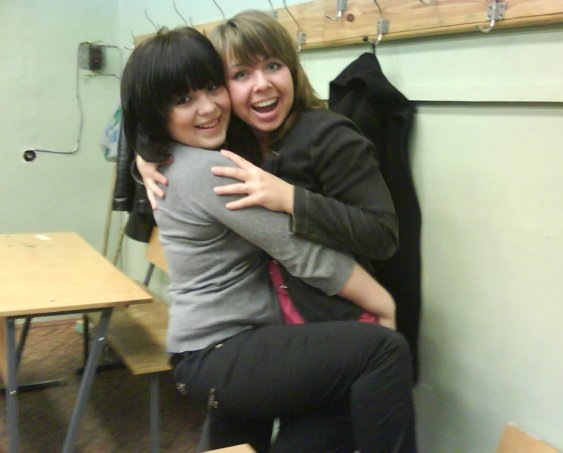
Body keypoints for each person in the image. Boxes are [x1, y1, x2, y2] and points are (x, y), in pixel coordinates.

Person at [121, 26, 415, 452]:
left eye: (211, 88)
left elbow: (376, 231)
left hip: (215, 347)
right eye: (185, 99)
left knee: (314, 417)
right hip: (224, 348)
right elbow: (301, 253)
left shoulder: (195, 153)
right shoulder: (211, 170)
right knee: (384, 351)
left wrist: (143, 156)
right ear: (157, 112)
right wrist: (383, 303)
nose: (207, 107)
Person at [138, 9, 401, 326]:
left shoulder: (328, 136)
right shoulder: (229, 140)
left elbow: (382, 235)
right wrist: (145, 158)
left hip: (333, 316)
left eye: (273, 66)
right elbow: (162, 124)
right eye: (241, 74)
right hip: (267, 319)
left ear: (292, 70)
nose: (261, 84)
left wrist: (291, 199)